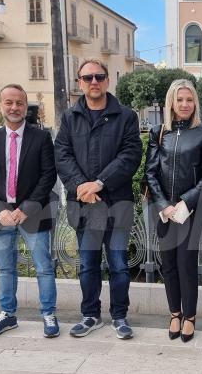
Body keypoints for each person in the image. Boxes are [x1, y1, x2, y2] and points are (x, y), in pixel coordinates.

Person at [55, 58, 143, 340]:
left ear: (107, 80)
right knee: (88, 264)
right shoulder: (70, 118)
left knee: (118, 264)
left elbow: (130, 155)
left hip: (116, 203)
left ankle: (120, 316)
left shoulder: (126, 116)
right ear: (80, 82)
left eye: (99, 76)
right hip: (83, 205)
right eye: (88, 77)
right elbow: (63, 155)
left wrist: (99, 183)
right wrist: (81, 185)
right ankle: (90, 314)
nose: (94, 82)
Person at [0, 84, 59, 338]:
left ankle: (48, 313)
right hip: (0, 215)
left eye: (19, 103)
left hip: (33, 213)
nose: (14, 107)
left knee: (43, 267)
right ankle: (7, 315)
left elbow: (48, 176)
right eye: (9, 103)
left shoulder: (41, 137)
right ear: (0, 106)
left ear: (26, 106)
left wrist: (27, 208)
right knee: (5, 268)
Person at [144, 79, 202, 343]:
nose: (185, 104)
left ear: (195, 102)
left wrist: (186, 202)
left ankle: (190, 317)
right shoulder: (157, 132)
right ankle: (174, 313)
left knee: (186, 264)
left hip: (191, 208)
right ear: (171, 103)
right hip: (164, 209)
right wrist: (164, 205)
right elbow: (150, 173)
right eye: (180, 99)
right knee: (169, 264)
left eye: (189, 99)